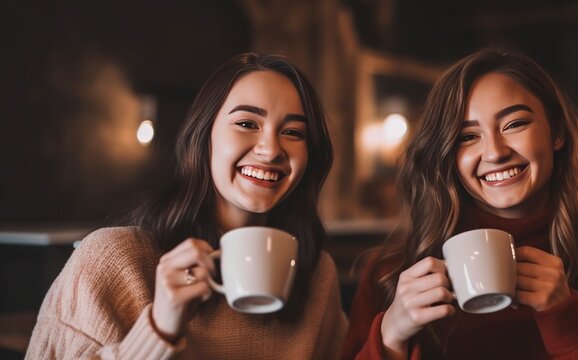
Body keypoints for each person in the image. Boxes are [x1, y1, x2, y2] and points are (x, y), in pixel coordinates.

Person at [341, 48, 578, 359]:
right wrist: (391, 336)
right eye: (467, 136)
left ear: (557, 132)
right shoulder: (389, 278)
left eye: (515, 124)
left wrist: (568, 327)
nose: (496, 152)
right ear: (447, 156)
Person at [27, 53, 347, 359]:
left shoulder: (317, 275)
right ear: (204, 135)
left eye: (293, 132)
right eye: (247, 124)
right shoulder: (116, 260)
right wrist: (160, 329)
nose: (270, 150)